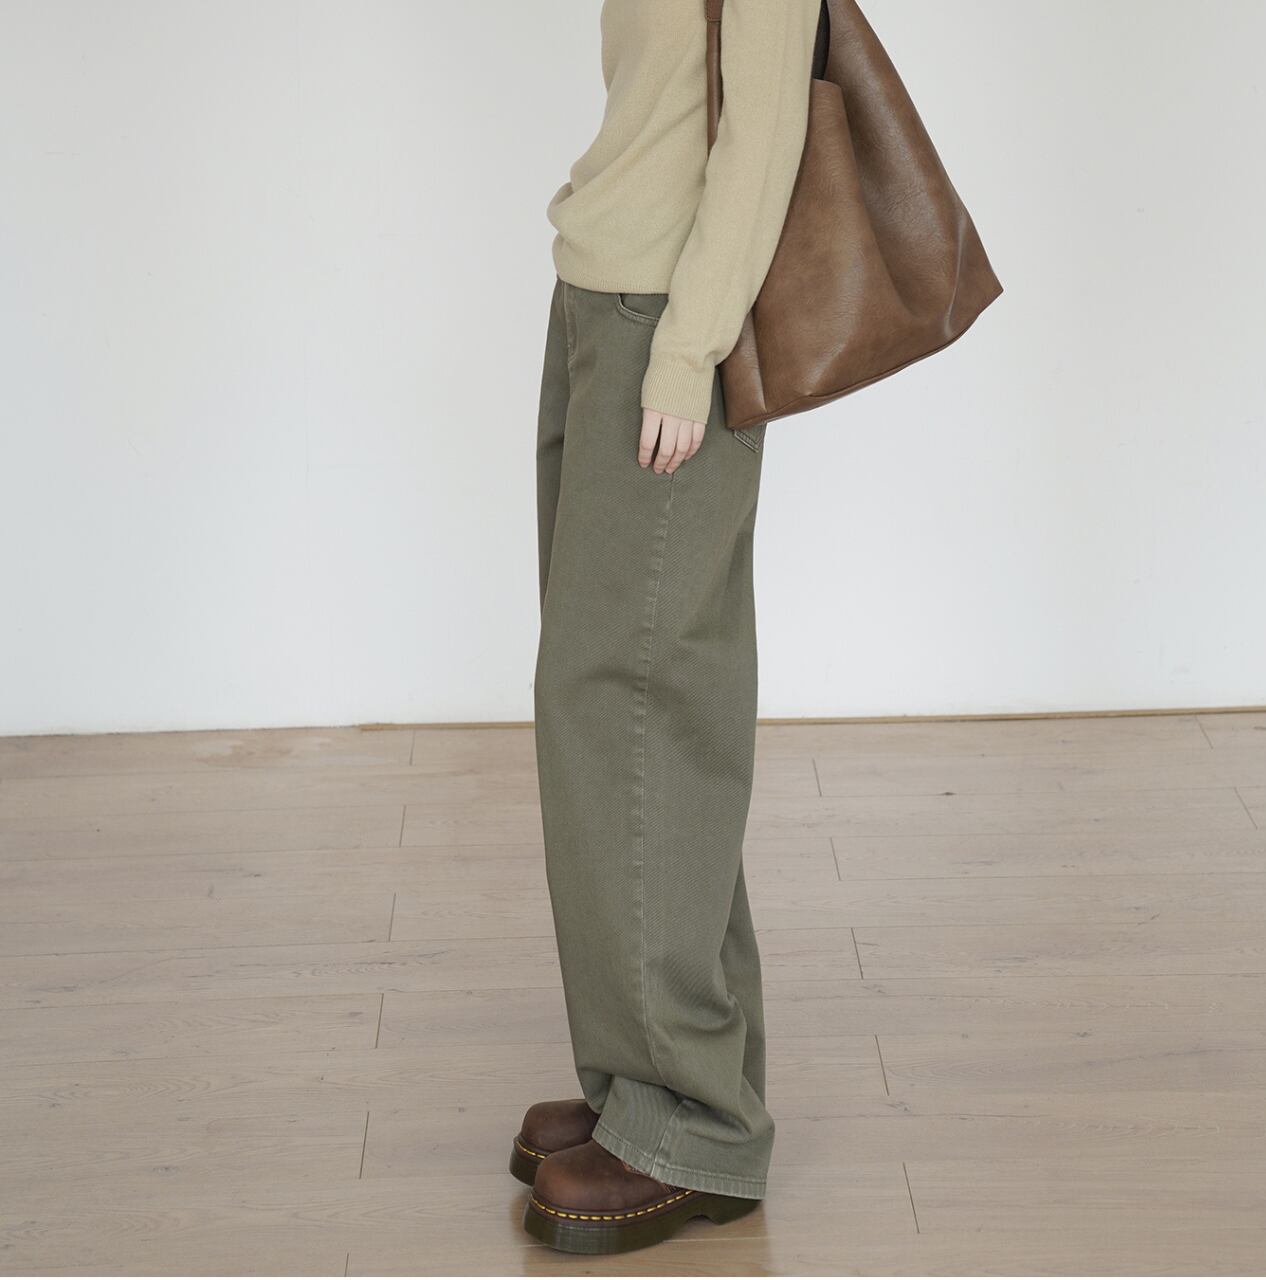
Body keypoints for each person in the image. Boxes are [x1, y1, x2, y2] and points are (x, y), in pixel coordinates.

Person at [514, 0, 822, 1255]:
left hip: (666, 323)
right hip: (600, 301)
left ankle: (689, 1122)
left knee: (633, 711)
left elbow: (764, 129)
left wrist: (689, 351)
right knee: (616, 719)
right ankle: (647, 1083)